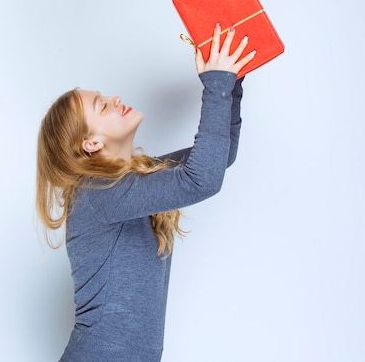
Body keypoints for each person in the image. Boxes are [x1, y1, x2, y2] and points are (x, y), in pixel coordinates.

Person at [36, 23, 255, 361]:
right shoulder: (98, 193)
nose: (115, 99)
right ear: (91, 143)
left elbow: (220, 157)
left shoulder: (134, 180)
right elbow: (202, 179)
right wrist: (217, 85)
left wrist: (231, 83)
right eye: (102, 105)